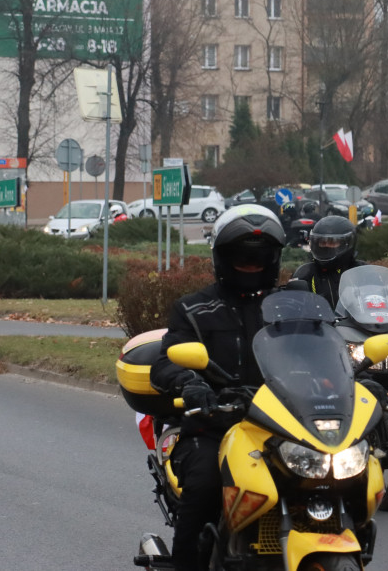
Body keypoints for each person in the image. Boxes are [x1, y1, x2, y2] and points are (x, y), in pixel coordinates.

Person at [150, 204, 286, 571]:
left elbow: (324, 350)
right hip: (214, 426)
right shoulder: (194, 309)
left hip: (285, 427)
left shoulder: (290, 308)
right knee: (206, 485)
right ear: (223, 258)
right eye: (242, 258)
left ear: (273, 259)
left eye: (259, 259)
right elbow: (166, 362)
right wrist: (190, 383)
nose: (251, 265)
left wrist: (354, 374)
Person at [290, 216, 364, 309]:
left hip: (357, 323)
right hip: (321, 323)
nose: (326, 246)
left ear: (347, 243)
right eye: (322, 242)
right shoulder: (305, 274)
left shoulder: (362, 271)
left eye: (332, 242)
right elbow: (294, 309)